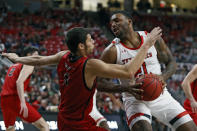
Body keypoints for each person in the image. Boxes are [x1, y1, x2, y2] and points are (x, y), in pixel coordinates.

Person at [2, 27, 162, 131]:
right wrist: (147, 44)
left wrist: (17, 59)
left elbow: (38, 60)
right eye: (90, 40)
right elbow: (128, 71)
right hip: (79, 123)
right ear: (81, 46)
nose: (94, 42)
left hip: (64, 119)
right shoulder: (90, 65)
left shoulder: (63, 55)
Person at [100, 11, 197, 131]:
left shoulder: (151, 38)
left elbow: (171, 63)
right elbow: (99, 83)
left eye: (117, 20)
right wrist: (125, 88)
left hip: (161, 95)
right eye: (111, 23)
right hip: (135, 100)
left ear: (129, 22)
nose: (113, 25)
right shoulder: (112, 51)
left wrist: (162, 78)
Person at [0, 46, 49, 131]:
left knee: (10, 128)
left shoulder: (14, 65)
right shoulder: (29, 64)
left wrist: (6, 54)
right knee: (44, 126)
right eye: (36, 55)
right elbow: (19, 82)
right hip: (15, 99)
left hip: (4, 100)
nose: (38, 58)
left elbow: (14, 55)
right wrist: (22, 103)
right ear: (28, 55)